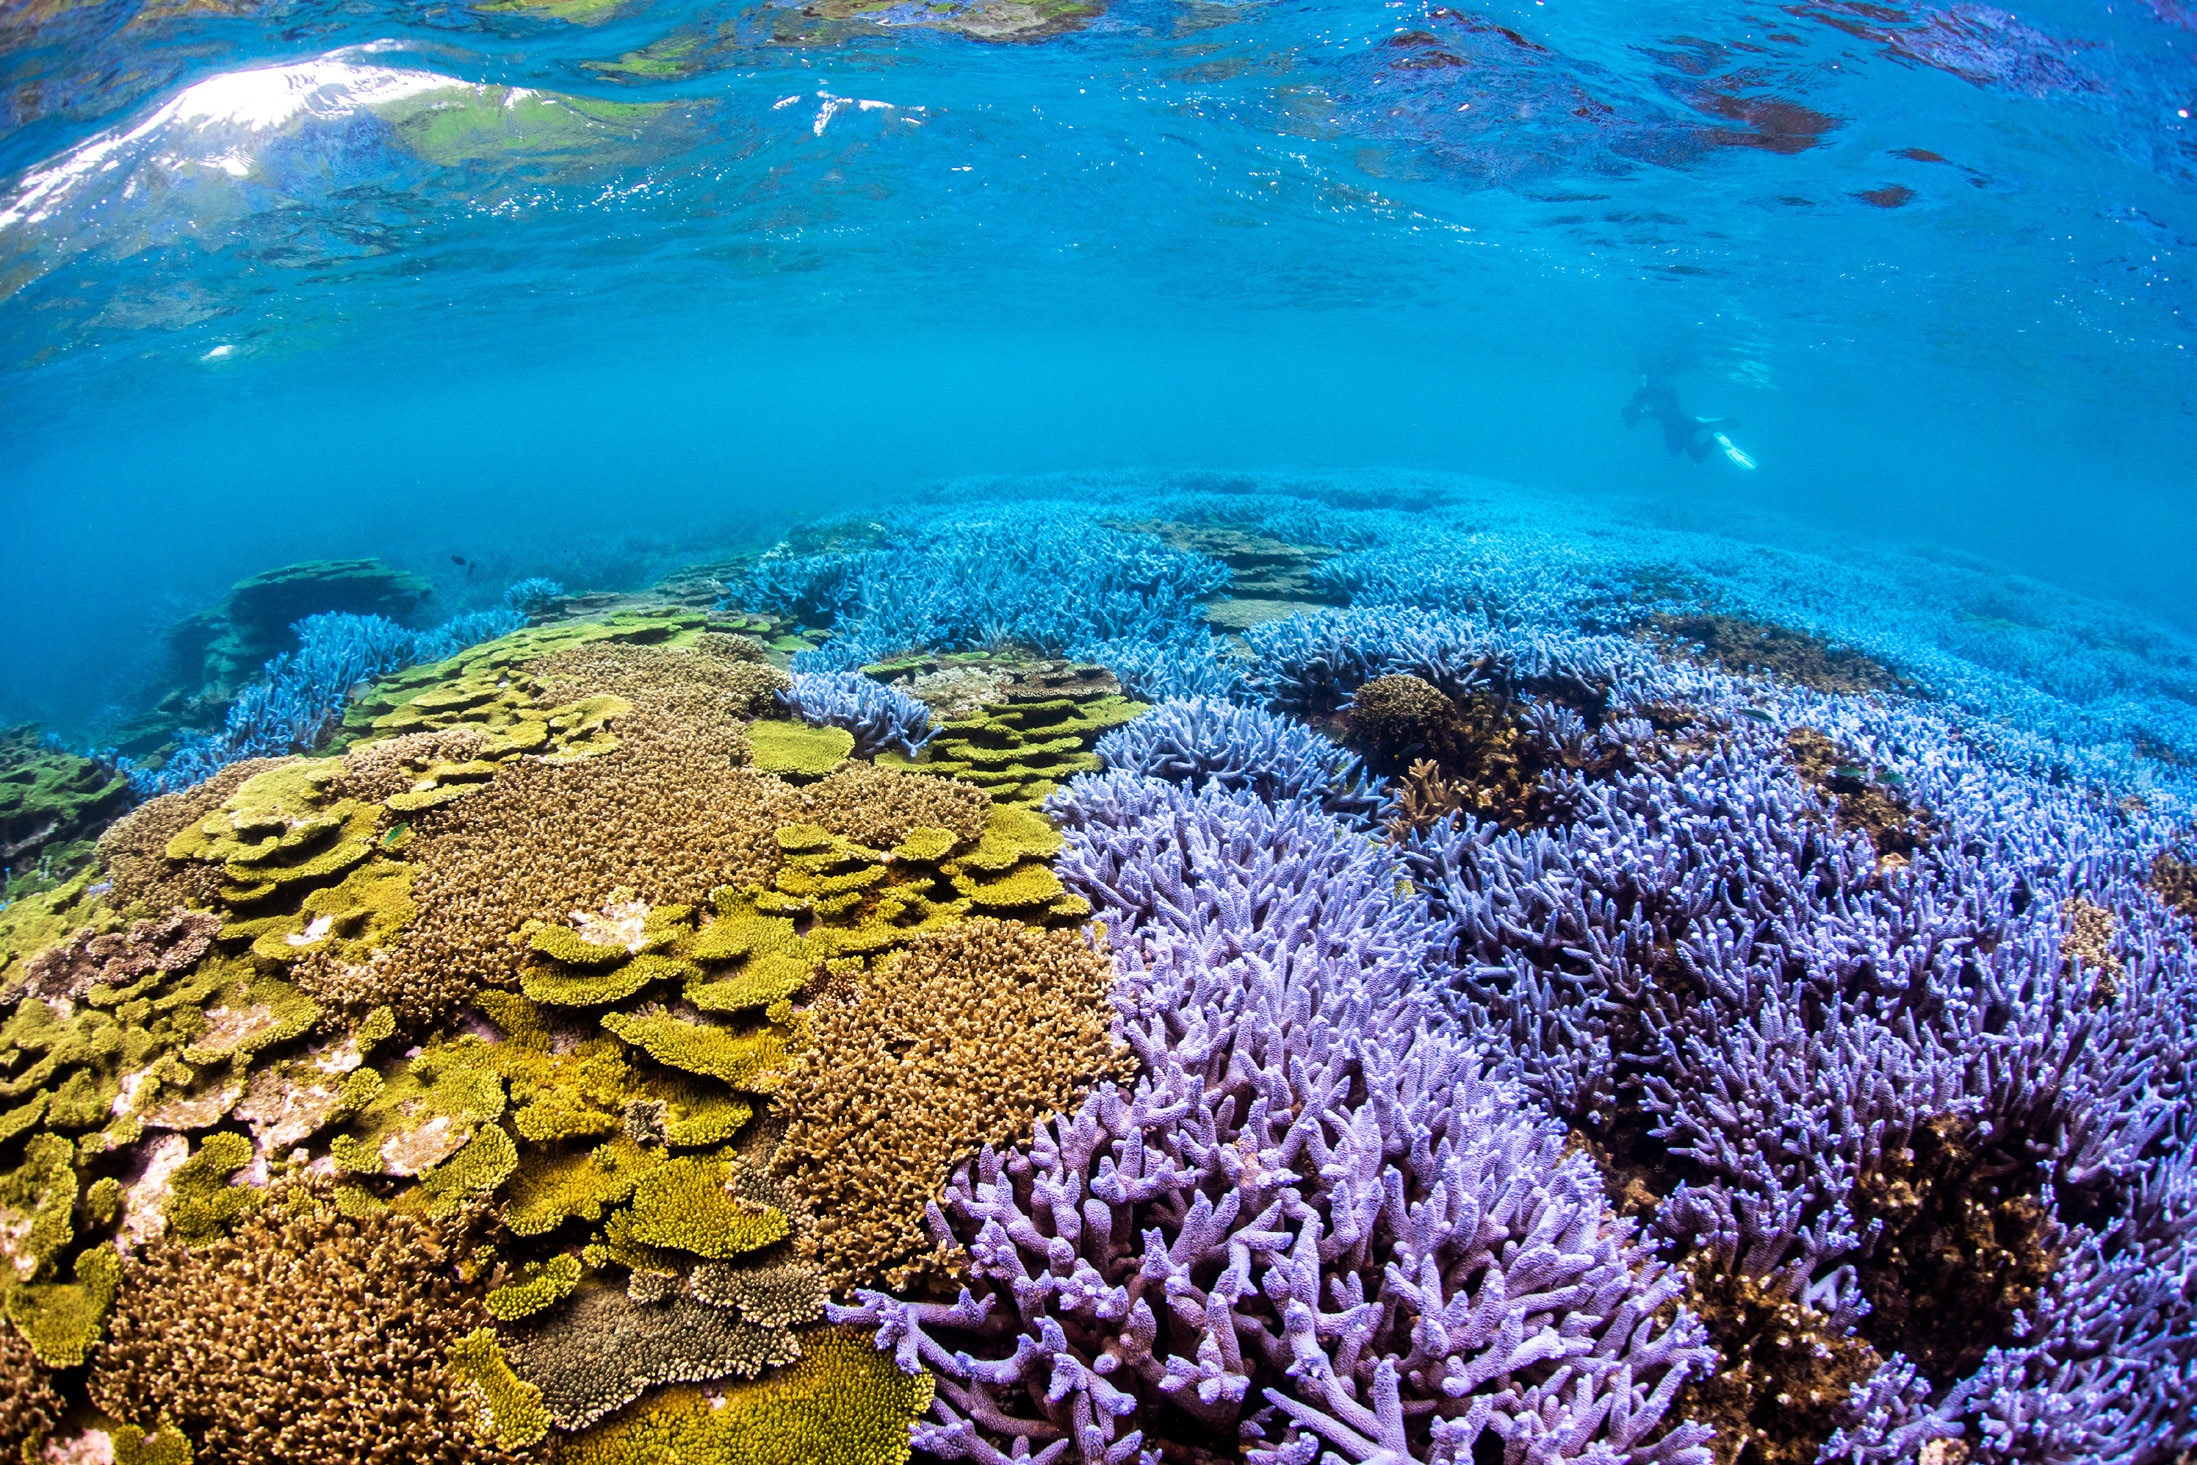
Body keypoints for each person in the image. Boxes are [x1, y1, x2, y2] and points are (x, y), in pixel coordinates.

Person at [1623, 378, 1756, 469]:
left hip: (1674, 424)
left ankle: (1701, 424)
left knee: (1676, 451)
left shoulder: (1647, 395)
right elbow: (1672, 403)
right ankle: (1713, 433)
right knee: (1698, 456)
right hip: (1678, 422)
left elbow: (1631, 421)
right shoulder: (1658, 393)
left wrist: (1641, 409)